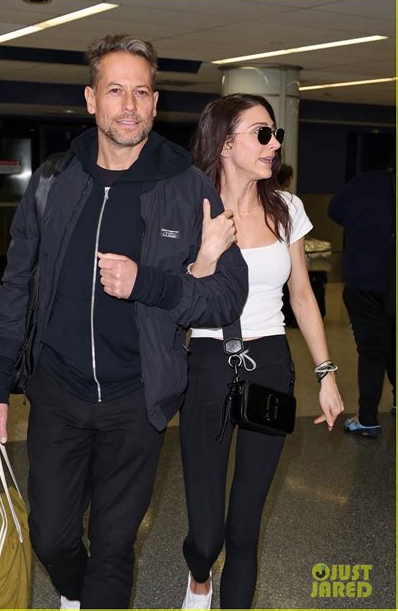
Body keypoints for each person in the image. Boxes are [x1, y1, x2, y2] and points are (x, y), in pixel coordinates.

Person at [0, 35, 248, 610]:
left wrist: (147, 283)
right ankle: (74, 593)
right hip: (57, 391)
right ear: (91, 100)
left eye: (141, 92)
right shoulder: (53, 180)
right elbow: (16, 286)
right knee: (50, 535)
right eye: (115, 91)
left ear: (155, 102)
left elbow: (227, 295)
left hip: (137, 398)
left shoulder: (186, 186)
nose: (129, 105)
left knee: (115, 544)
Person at [179, 94, 344, 609]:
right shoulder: (191, 208)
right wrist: (206, 254)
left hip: (270, 365)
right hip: (206, 364)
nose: (274, 145)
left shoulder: (286, 208)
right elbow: (177, 301)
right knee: (206, 536)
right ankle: (198, 577)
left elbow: (301, 296)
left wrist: (326, 373)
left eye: (275, 134)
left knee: (245, 528)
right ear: (226, 144)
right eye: (262, 134)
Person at [328, 169, 395, 437]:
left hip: (364, 279)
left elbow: (334, 210)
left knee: (372, 350)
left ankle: (367, 417)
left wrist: (361, 225)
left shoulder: (364, 182)